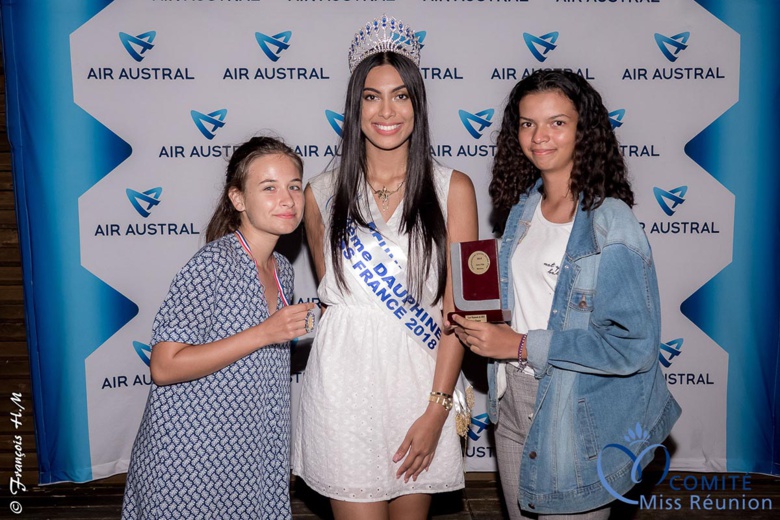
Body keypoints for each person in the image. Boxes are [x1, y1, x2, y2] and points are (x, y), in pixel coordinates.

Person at [450, 70, 681, 519]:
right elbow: (522, 300)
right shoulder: (523, 209)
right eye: (527, 123)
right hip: (511, 401)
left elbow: (632, 345)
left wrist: (518, 344)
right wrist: (474, 319)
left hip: (576, 409)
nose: (540, 137)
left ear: (584, 130)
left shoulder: (612, 223)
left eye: (557, 122)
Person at [291, 15, 478, 520]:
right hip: (342, 385)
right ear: (355, 108)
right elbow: (337, 297)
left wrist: (438, 408)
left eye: (401, 95)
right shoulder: (320, 194)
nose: (387, 111)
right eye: (371, 96)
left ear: (418, 105)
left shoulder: (452, 189)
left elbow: (463, 313)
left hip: (420, 384)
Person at [121, 136, 315, 520]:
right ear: (238, 199)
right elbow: (164, 366)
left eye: (294, 186)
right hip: (190, 459)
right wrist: (265, 332)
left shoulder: (283, 270)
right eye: (269, 187)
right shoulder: (212, 265)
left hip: (249, 454)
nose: (288, 199)